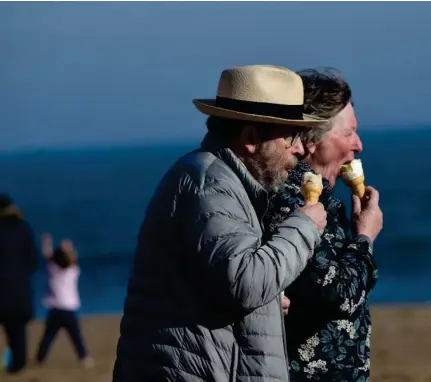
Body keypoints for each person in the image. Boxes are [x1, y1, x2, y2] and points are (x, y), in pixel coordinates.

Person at [112, 65, 329, 381]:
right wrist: (304, 226)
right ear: (251, 138)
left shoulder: (223, 181)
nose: (300, 148)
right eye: (291, 135)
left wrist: (264, 306)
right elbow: (246, 282)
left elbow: (224, 282)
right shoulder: (210, 183)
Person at [263, 68, 384, 381]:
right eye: (347, 134)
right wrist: (365, 238)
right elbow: (339, 296)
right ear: (311, 141)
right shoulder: (292, 202)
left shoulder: (326, 201)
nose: (358, 145)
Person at [35, 234, 94, 368]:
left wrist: (47, 244)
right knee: (76, 337)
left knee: (48, 336)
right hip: (68, 309)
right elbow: (72, 258)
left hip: (55, 309)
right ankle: (84, 358)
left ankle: (40, 358)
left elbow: (48, 256)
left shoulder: (53, 270)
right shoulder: (73, 271)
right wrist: (68, 248)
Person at [0, 194, 39, 374]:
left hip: (3, 287)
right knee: (18, 329)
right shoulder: (23, 228)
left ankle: (14, 362)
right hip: (19, 288)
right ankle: (18, 363)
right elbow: (33, 261)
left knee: (10, 327)